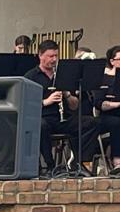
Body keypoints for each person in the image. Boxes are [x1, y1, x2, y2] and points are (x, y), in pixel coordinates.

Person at [24, 40, 100, 174]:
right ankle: (49, 165)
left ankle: (78, 161)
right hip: (44, 118)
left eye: (56, 56)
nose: (54, 59)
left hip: (63, 118)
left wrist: (67, 95)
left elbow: (75, 106)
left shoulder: (63, 75)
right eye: (50, 56)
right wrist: (46, 102)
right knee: (41, 126)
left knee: (91, 123)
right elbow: (25, 103)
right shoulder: (31, 77)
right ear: (40, 55)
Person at [90, 45, 120, 175]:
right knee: (116, 122)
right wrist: (116, 104)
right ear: (112, 61)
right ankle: (117, 162)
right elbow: (99, 104)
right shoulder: (103, 78)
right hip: (108, 116)